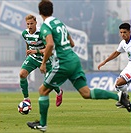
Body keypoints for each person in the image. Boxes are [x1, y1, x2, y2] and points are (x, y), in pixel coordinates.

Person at [27, 1, 131, 132]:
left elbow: (50, 44)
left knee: (42, 90)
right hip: (74, 60)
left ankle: (42, 124)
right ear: (52, 10)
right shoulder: (60, 23)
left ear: (40, 12)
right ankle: (119, 97)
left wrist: (43, 63)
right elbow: (71, 42)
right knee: (86, 93)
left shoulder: (45, 27)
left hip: (63, 63)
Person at [19, 14, 63, 107]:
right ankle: (26, 99)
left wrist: (35, 51)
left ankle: (59, 92)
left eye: (31, 23)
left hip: (45, 60)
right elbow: (28, 42)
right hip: (33, 58)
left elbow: (49, 49)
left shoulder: (42, 33)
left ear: (36, 23)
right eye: (28, 24)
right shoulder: (24, 33)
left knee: (49, 81)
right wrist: (28, 51)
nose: (30, 26)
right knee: (22, 74)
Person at [98, 23, 131, 108]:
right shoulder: (123, 43)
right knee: (118, 84)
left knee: (120, 82)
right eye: (121, 32)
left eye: (125, 32)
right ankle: (125, 98)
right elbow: (116, 52)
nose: (122, 34)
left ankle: (124, 98)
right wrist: (104, 62)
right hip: (130, 64)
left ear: (129, 32)